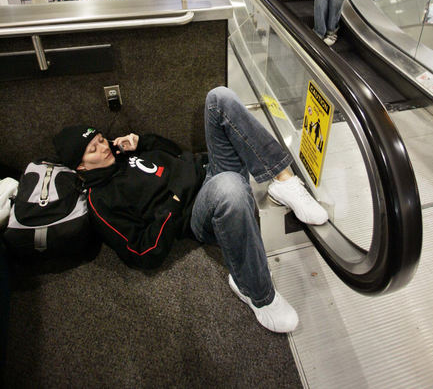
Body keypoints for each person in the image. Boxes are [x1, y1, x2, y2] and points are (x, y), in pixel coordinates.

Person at [52, 87, 328, 334]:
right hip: (196, 210)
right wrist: (174, 200)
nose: (103, 147)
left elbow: (177, 153)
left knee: (219, 97)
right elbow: (142, 253)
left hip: (207, 170)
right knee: (230, 187)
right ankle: (257, 293)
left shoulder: (123, 150)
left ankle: (284, 181)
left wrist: (144, 142)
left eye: (100, 139)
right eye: (93, 149)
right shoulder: (102, 201)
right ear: (81, 166)